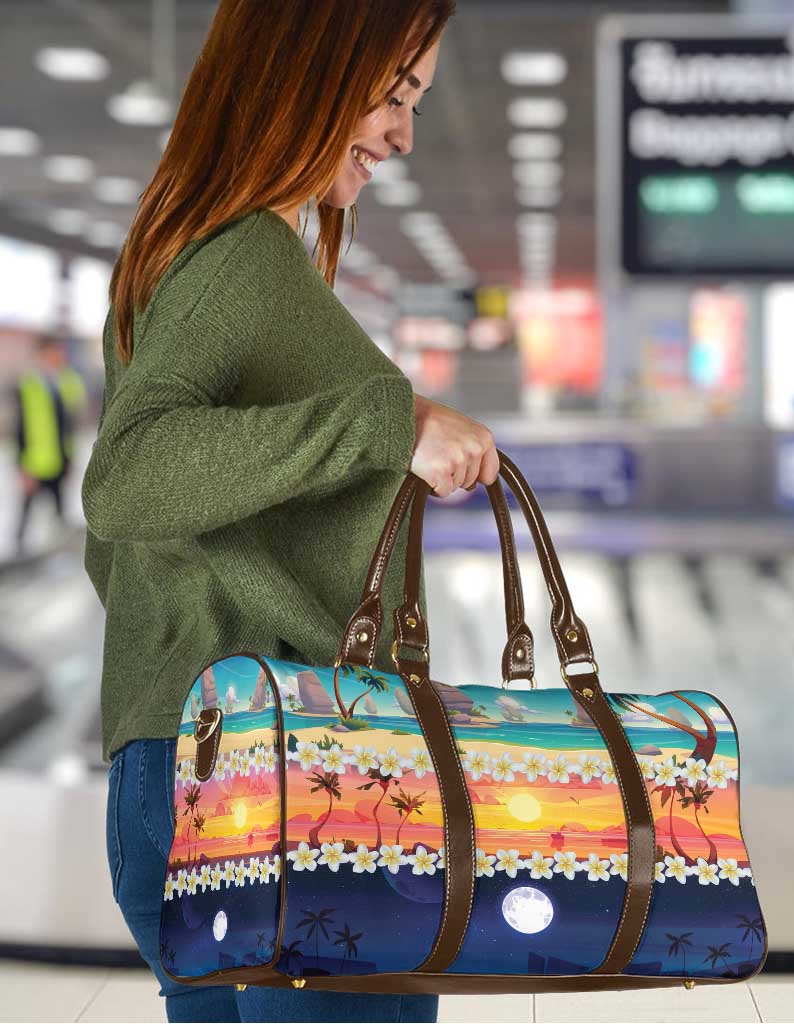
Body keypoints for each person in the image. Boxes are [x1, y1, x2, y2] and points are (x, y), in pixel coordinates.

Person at [81, 3, 495, 1021]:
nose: (402, 133)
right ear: (307, 65)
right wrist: (384, 424)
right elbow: (126, 476)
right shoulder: (239, 261)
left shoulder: (189, 252)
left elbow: (125, 548)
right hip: (293, 781)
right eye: (395, 94)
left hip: (190, 764)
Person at [11, 331, 86, 556]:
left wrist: (70, 458)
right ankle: (18, 554)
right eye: (55, 350)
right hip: (35, 462)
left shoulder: (65, 381)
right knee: (26, 512)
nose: (59, 355)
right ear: (43, 353)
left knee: (59, 511)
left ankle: (59, 554)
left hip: (60, 458)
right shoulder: (28, 385)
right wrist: (22, 466)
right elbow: (20, 428)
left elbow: (72, 416)